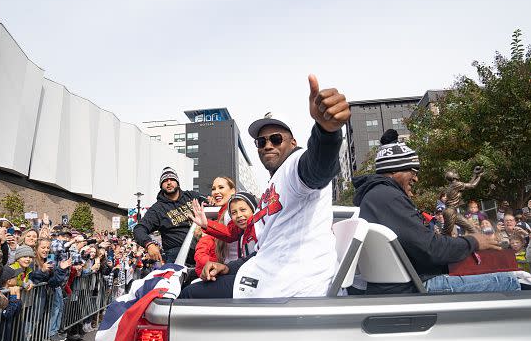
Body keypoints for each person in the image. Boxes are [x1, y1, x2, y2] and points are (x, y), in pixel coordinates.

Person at [180, 74, 350, 299]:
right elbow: (265, 250)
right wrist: (227, 267)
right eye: (261, 142)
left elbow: (318, 168)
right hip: (268, 276)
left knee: (190, 296)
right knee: (194, 282)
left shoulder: (294, 166)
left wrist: (326, 131)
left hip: (293, 287)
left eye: (276, 139)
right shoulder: (273, 184)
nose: (268, 145)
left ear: (293, 143)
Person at [352, 130, 520, 294]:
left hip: (405, 283)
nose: (416, 178)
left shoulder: (376, 196)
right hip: (416, 286)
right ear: (395, 170)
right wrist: (474, 242)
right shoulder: (389, 197)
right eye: (413, 171)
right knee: (511, 280)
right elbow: (432, 249)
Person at [132, 167, 210, 264]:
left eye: (172, 179)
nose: (169, 182)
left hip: (203, 248)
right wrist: (149, 244)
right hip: (177, 254)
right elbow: (139, 229)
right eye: (165, 180)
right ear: (161, 185)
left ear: (177, 182)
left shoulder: (192, 196)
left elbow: (211, 202)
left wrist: (212, 200)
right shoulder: (157, 209)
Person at [191, 191, 258, 276]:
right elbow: (228, 233)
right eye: (234, 213)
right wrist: (206, 224)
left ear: (253, 210)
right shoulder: (240, 230)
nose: (239, 215)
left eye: (243, 210)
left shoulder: (259, 228)